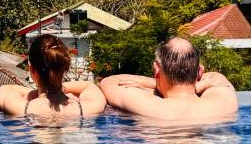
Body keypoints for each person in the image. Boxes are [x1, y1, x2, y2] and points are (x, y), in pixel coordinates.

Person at [99, 36, 238, 121]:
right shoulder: (223, 101)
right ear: (200, 72)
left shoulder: (148, 106)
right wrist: (199, 84)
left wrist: (156, 84)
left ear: (157, 69)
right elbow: (215, 76)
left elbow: (109, 82)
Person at [0, 34, 106, 119]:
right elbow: (89, 86)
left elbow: (4, 89)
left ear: (32, 70)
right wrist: (61, 88)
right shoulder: (87, 108)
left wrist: (36, 91)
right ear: (64, 68)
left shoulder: (21, 108)